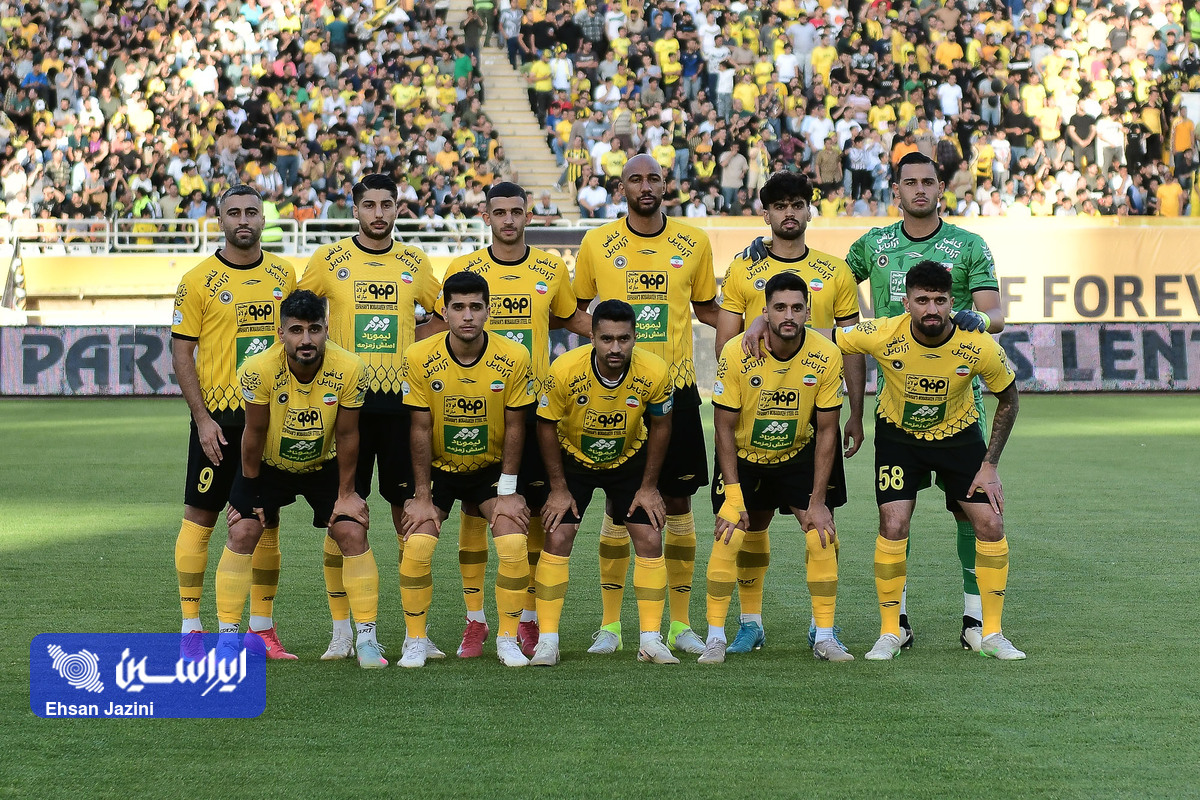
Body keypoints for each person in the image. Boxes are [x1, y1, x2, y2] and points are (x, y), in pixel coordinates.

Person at [741, 151, 1004, 651]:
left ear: (941, 188)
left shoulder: (970, 244)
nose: (920, 189)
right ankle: (896, 623)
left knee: (968, 513)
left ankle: (975, 621)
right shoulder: (873, 245)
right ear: (895, 190)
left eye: (929, 181)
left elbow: (996, 314)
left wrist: (980, 321)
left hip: (959, 401)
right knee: (895, 517)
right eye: (911, 182)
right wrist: (769, 254)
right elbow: (822, 280)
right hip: (895, 405)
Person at [835, 261, 1024, 661]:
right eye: (922, 300)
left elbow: (1009, 399)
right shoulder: (882, 332)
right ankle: (892, 632)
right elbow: (827, 338)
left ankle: (990, 633)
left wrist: (989, 465)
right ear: (906, 303)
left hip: (959, 437)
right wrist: (761, 325)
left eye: (940, 300)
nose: (931, 309)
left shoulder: (978, 344)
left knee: (990, 524)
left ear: (952, 302)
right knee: (893, 523)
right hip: (898, 438)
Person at [437, 182, 592, 659]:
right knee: (474, 509)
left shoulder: (550, 268)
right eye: (499, 212)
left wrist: (620, 334)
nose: (508, 219)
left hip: (535, 409)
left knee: (535, 515)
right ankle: (475, 621)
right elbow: (440, 325)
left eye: (516, 211)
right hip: (477, 410)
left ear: (529, 215)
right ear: (486, 216)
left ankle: (526, 618)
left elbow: (568, 318)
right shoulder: (465, 269)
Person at [573, 154, 720, 656]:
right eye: (635, 179)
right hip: (614, 390)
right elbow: (576, 310)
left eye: (653, 178)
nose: (645, 186)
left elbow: (707, 309)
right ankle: (610, 627)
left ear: (666, 184)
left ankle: (679, 625)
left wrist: (755, 321)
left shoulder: (693, 242)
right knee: (618, 504)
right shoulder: (598, 242)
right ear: (622, 188)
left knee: (677, 502)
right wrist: (606, 346)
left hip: (677, 388)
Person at [714, 171, 864, 654]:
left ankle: (824, 629)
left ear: (809, 210)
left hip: (812, 412)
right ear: (766, 214)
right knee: (748, 525)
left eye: (797, 204)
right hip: (754, 414)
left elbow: (850, 345)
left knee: (821, 526)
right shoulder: (744, 269)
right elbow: (726, 341)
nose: (789, 213)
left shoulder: (835, 272)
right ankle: (750, 624)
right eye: (779, 206)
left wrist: (856, 411)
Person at [299, 173, 446, 662]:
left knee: (407, 515)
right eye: (369, 205)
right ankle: (342, 632)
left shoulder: (414, 262)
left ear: (398, 209)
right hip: (346, 406)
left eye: (387, 204)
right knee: (342, 514)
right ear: (355, 209)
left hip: (401, 406)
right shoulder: (329, 259)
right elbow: (298, 313)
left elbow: (443, 312)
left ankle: (415, 633)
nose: (378, 213)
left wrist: (414, 343)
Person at [217, 289, 386, 668]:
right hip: (268, 465)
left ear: (327, 329)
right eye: (296, 330)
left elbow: (348, 434)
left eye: (314, 329)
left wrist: (347, 493)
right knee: (242, 530)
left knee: (351, 531)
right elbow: (253, 432)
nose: (306, 339)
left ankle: (367, 640)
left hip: (324, 464)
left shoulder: (350, 368)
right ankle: (227, 639)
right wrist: (250, 491)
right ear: (281, 333)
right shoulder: (258, 369)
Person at [169, 184, 297, 661]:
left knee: (266, 518)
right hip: (220, 420)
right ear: (220, 220)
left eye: (251, 212)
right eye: (234, 213)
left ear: (263, 219)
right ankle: (190, 628)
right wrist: (202, 419)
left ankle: (261, 630)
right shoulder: (197, 280)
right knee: (200, 516)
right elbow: (181, 354)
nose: (244, 220)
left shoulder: (284, 274)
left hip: (272, 418)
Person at [703, 272, 852, 664]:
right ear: (765, 311)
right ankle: (722, 636)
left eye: (797, 308)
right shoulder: (737, 351)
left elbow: (827, 430)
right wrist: (733, 495)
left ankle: (824, 635)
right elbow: (723, 427)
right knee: (730, 532)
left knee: (821, 533)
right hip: (743, 457)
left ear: (808, 312)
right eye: (780, 307)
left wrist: (817, 501)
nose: (789, 315)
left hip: (797, 454)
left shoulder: (826, 354)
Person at [398, 271, 537, 668]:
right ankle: (415, 640)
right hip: (439, 469)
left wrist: (508, 490)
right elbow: (420, 428)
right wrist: (422, 496)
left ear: (489, 311)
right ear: (444, 311)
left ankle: (507, 639)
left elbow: (515, 426)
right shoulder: (418, 356)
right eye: (458, 307)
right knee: (418, 543)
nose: (468, 315)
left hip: (490, 469)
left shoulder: (514, 356)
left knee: (513, 541)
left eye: (476, 307)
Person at [529, 300, 678, 666]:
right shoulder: (564, 370)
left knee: (650, 537)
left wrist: (648, 486)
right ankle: (548, 642)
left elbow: (661, 426)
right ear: (592, 337)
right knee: (558, 536)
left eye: (623, 339)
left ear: (635, 337)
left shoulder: (654, 371)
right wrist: (558, 488)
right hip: (573, 460)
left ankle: (650, 640)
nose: (615, 348)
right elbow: (545, 425)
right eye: (607, 339)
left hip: (628, 459)